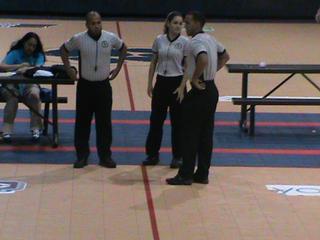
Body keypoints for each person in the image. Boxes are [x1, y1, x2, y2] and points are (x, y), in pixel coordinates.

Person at [166, 11, 230, 185]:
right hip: (211, 89)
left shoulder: (194, 42)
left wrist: (195, 78)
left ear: (198, 24)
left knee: (189, 133)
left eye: (188, 23)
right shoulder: (210, 39)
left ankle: (185, 174)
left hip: (200, 90)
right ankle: (202, 173)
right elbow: (225, 56)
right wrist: (210, 73)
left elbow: (202, 59)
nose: (185, 26)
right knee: (205, 134)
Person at [60, 11, 127, 168]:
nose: (96, 26)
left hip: (103, 86)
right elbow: (63, 49)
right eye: (93, 23)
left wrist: (118, 68)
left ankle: (105, 156)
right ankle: (82, 155)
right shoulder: (79, 39)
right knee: (82, 122)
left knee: (104, 123)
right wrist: (68, 68)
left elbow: (123, 48)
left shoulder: (110, 37)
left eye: (98, 23)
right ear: (87, 25)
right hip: (85, 86)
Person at [143, 11, 189, 168]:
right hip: (161, 82)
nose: (178, 26)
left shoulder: (185, 42)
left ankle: (178, 156)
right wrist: (150, 84)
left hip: (177, 83)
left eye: (180, 23)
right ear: (168, 23)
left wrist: (183, 86)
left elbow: (188, 66)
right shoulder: (159, 40)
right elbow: (153, 62)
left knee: (179, 123)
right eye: (175, 23)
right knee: (156, 121)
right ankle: (152, 155)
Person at [0, 32, 46, 143]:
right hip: (11, 85)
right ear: (24, 43)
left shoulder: (38, 55)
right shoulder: (15, 53)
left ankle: (36, 129)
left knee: (35, 95)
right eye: (29, 44)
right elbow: (2, 66)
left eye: (34, 46)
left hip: (29, 85)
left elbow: (38, 67)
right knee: (13, 98)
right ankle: (6, 131)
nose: (31, 48)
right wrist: (18, 66)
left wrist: (27, 69)